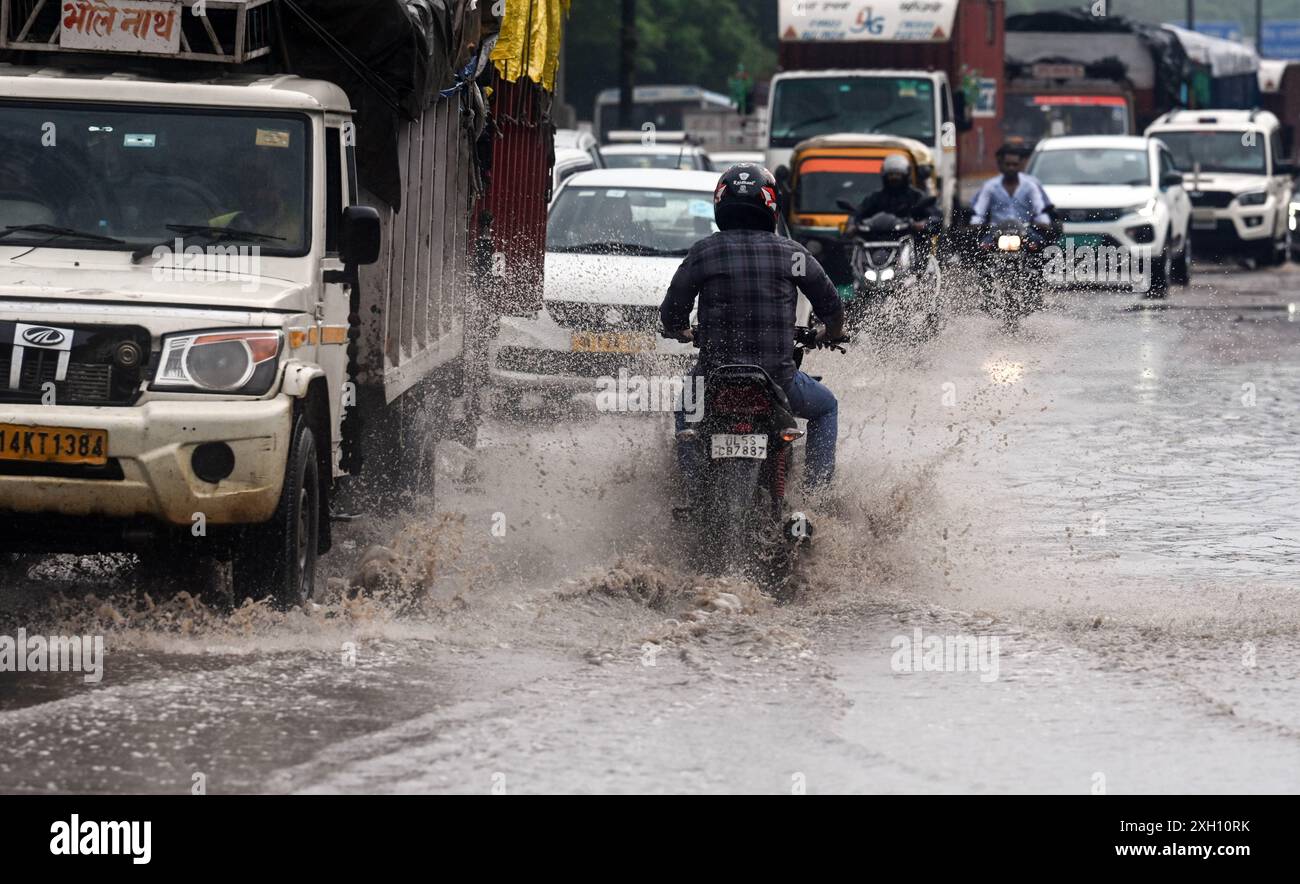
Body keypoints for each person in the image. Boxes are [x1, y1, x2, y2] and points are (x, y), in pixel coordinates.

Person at [660, 164, 845, 490]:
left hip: (714, 379)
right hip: (779, 381)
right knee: (826, 408)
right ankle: (816, 497)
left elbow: (672, 312)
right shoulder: (793, 255)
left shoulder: (704, 252)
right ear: (771, 206)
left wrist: (681, 330)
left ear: (721, 204)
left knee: (685, 410)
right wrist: (829, 333)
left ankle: (689, 490)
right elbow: (831, 307)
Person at [970, 143, 1052, 248]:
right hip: (996, 231)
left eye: (1014, 164)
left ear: (1020, 165)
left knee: (1041, 247)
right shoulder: (990, 186)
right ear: (1001, 165)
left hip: (1025, 231)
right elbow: (979, 211)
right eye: (1007, 164)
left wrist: (1044, 223)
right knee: (980, 248)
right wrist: (975, 224)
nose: (1011, 168)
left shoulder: (1030, 186)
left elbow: (1039, 209)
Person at [852, 153, 940, 234]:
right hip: (875, 240)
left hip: (911, 241)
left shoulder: (917, 197)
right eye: (891, 175)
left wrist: (923, 223)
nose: (894, 178)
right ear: (885, 176)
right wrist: (853, 225)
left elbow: (935, 216)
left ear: (905, 175)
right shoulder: (875, 197)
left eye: (898, 175)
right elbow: (859, 213)